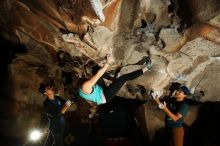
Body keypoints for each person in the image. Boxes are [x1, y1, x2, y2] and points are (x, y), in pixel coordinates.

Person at [79, 54, 152, 106]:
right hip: (105, 96)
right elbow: (98, 75)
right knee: (123, 78)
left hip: (100, 90)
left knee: (95, 69)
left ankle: (113, 78)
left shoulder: (81, 89)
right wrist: (107, 62)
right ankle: (147, 68)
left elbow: (90, 100)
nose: (88, 78)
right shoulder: (85, 86)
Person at [39, 79, 72, 146]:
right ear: (45, 93)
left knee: (49, 142)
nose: (51, 88)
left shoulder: (57, 97)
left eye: (50, 87)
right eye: (48, 88)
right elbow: (57, 115)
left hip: (60, 124)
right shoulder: (47, 104)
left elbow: (65, 101)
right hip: (56, 126)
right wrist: (66, 106)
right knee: (59, 142)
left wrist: (68, 102)